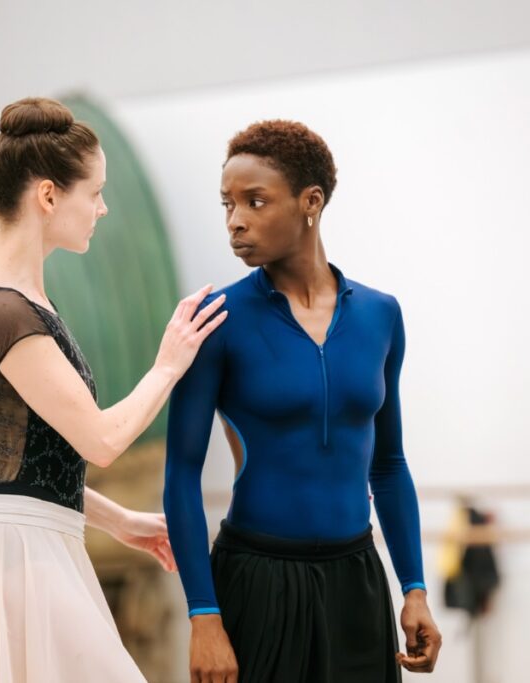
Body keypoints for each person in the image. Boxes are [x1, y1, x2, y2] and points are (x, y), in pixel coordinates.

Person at [0, 97, 227, 682]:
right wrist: (168, 363)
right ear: (47, 196)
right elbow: (102, 441)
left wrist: (118, 521)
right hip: (18, 556)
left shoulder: (3, 304)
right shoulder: (2, 308)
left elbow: (25, 469)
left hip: (23, 544)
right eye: (95, 192)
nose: (103, 207)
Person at [164, 120, 441, 682]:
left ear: (310, 202)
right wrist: (203, 616)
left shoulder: (381, 315)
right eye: (227, 204)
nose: (235, 220)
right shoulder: (214, 321)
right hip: (257, 581)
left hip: (357, 580)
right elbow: (180, 476)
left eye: (255, 201)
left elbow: (388, 465)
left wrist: (413, 588)